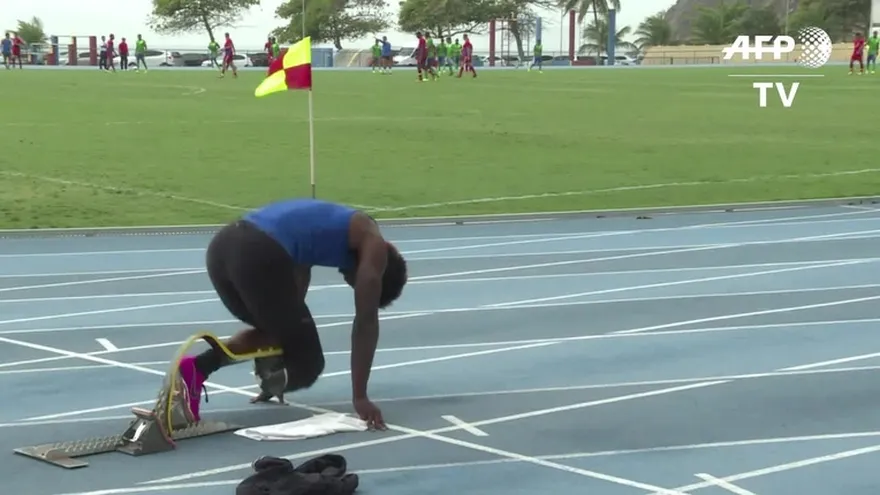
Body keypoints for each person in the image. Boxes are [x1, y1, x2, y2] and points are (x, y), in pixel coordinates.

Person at [178, 199, 408, 430]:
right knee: (310, 363)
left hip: (222, 249)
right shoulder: (372, 242)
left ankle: (198, 368)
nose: (349, 281)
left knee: (280, 330)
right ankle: (260, 377)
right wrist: (360, 397)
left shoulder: (332, 228)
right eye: (355, 283)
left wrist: (290, 335)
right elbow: (366, 322)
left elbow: (295, 290)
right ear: (380, 272)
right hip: (256, 252)